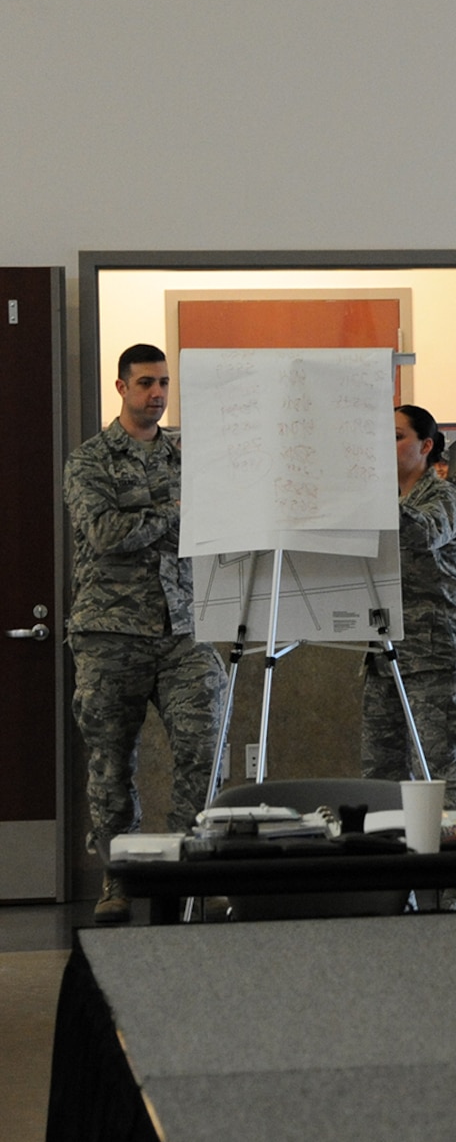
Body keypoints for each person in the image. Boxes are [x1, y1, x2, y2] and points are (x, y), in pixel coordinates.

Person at [64, 343, 230, 923]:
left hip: (184, 627)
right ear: (121, 388)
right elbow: (106, 533)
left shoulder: (187, 460)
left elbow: (214, 526)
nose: (156, 393)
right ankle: (118, 880)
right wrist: (176, 513)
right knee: (112, 763)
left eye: (163, 383)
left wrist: (173, 514)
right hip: (110, 631)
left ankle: (192, 871)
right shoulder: (89, 461)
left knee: (205, 748)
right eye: (145, 384)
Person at [360, 405, 456, 808]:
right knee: (381, 778)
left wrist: (365, 492)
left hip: (439, 654)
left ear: (425, 446)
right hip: (386, 655)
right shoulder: (383, 499)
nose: (384, 446)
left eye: (396, 437)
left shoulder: (444, 498)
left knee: (444, 778)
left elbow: (420, 533)